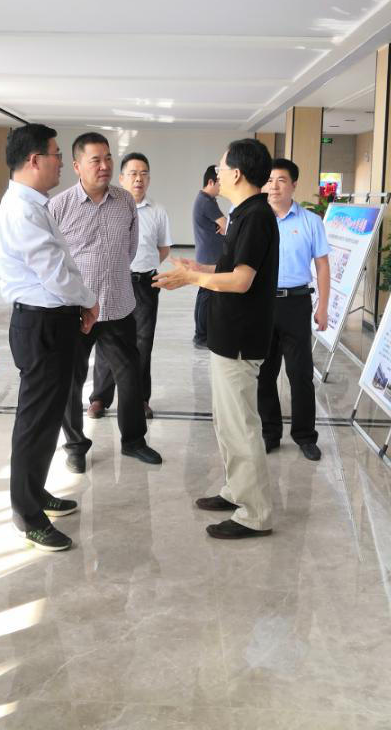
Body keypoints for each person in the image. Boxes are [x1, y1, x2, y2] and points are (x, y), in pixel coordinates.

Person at [156, 139, 278, 540]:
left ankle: (255, 513)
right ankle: (236, 490)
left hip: (241, 337)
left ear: (237, 174)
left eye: (221, 168)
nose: (217, 175)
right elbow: (232, 268)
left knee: (241, 426)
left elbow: (241, 281)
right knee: (227, 423)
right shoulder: (243, 214)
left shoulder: (256, 216)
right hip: (228, 335)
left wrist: (191, 278)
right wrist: (199, 267)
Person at [0, 124, 98, 552]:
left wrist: (81, 302)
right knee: (35, 421)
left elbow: (60, 264)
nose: (61, 163)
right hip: (41, 324)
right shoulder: (23, 209)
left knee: (48, 416)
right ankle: (27, 515)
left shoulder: (34, 204)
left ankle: (35, 492)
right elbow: (55, 273)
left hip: (52, 321)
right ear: (34, 160)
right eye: (56, 154)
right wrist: (89, 301)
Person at [50, 134, 162, 474]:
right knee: (71, 380)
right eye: (96, 160)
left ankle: (134, 441)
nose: (104, 166)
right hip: (75, 311)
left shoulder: (125, 201)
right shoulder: (59, 206)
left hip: (118, 306)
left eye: (108, 158)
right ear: (77, 166)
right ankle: (75, 446)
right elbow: (53, 260)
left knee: (130, 376)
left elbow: (129, 249)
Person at [259, 158, 332, 461]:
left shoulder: (310, 221)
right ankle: (270, 433)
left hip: (297, 303)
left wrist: (323, 307)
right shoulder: (256, 219)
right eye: (269, 180)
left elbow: (322, 266)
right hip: (262, 304)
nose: (274, 186)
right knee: (264, 373)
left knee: (300, 374)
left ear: (293, 185)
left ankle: (304, 436)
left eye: (281, 180)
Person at [90, 152, 172, 420]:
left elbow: (163, 248)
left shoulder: (157, 210)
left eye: (144, 173)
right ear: (122, 178)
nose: (139, 179)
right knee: (106, 339)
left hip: (144, 284)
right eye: (133, 173)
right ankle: (99, 398)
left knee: (142, 343)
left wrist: (143, 267)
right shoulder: (108, 206)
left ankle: (140, 399)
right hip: (111, 282)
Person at [191, 164, 226, 347]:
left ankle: (201, 334)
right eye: (220, 183)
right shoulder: (206, 201)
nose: (222, 187)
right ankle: (201, 336)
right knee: (206, 296)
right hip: (209, 257)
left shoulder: (206, 199)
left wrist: (223, 226)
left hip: (208, 255)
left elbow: (223, 225)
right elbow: (226, 224)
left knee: (205, 295)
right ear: (211, 182)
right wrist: (224, 226)